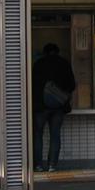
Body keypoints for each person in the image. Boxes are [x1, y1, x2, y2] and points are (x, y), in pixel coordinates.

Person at [32, 43, 76, 172]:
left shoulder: (38, 64)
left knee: (37, 134)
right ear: (57, 52)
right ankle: (52, 165)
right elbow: (72, 85)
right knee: (55, 135)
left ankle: (38, 165)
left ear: (45, 52)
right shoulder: (64, 63)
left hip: (40, 107)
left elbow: (32, 84)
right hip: (58, 106)